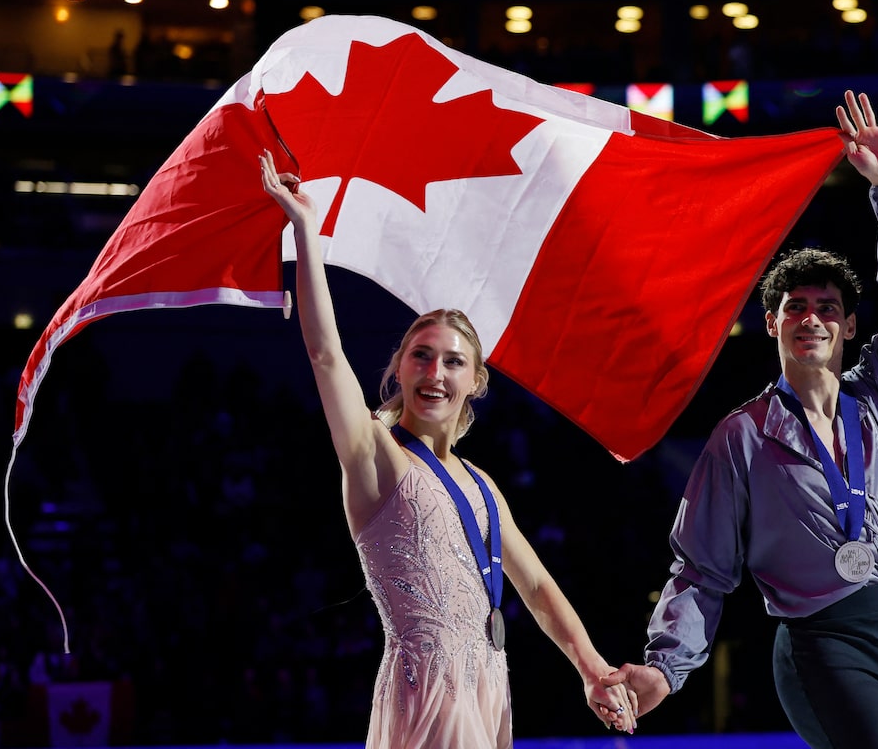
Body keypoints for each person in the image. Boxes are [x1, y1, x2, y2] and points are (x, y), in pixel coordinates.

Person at [601, 90, 878, 749]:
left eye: (828, 308)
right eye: (795, 307)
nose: (812, 318)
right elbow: (702, 568)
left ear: (852, 326)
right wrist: (664, 667)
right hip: (823, 647)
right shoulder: (742, 436)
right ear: (771, 324)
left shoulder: (877, 397)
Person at [259, 149, 637, 747]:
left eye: (453, 361)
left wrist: (591, 668)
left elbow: (536, 588)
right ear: (399, 369)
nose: (436, 371)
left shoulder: (482, 484)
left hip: (489, 680)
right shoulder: (376, 454)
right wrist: (306, 232)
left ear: (474, 383)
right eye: (422, 355)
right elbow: (325, 355)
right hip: (426, 685)